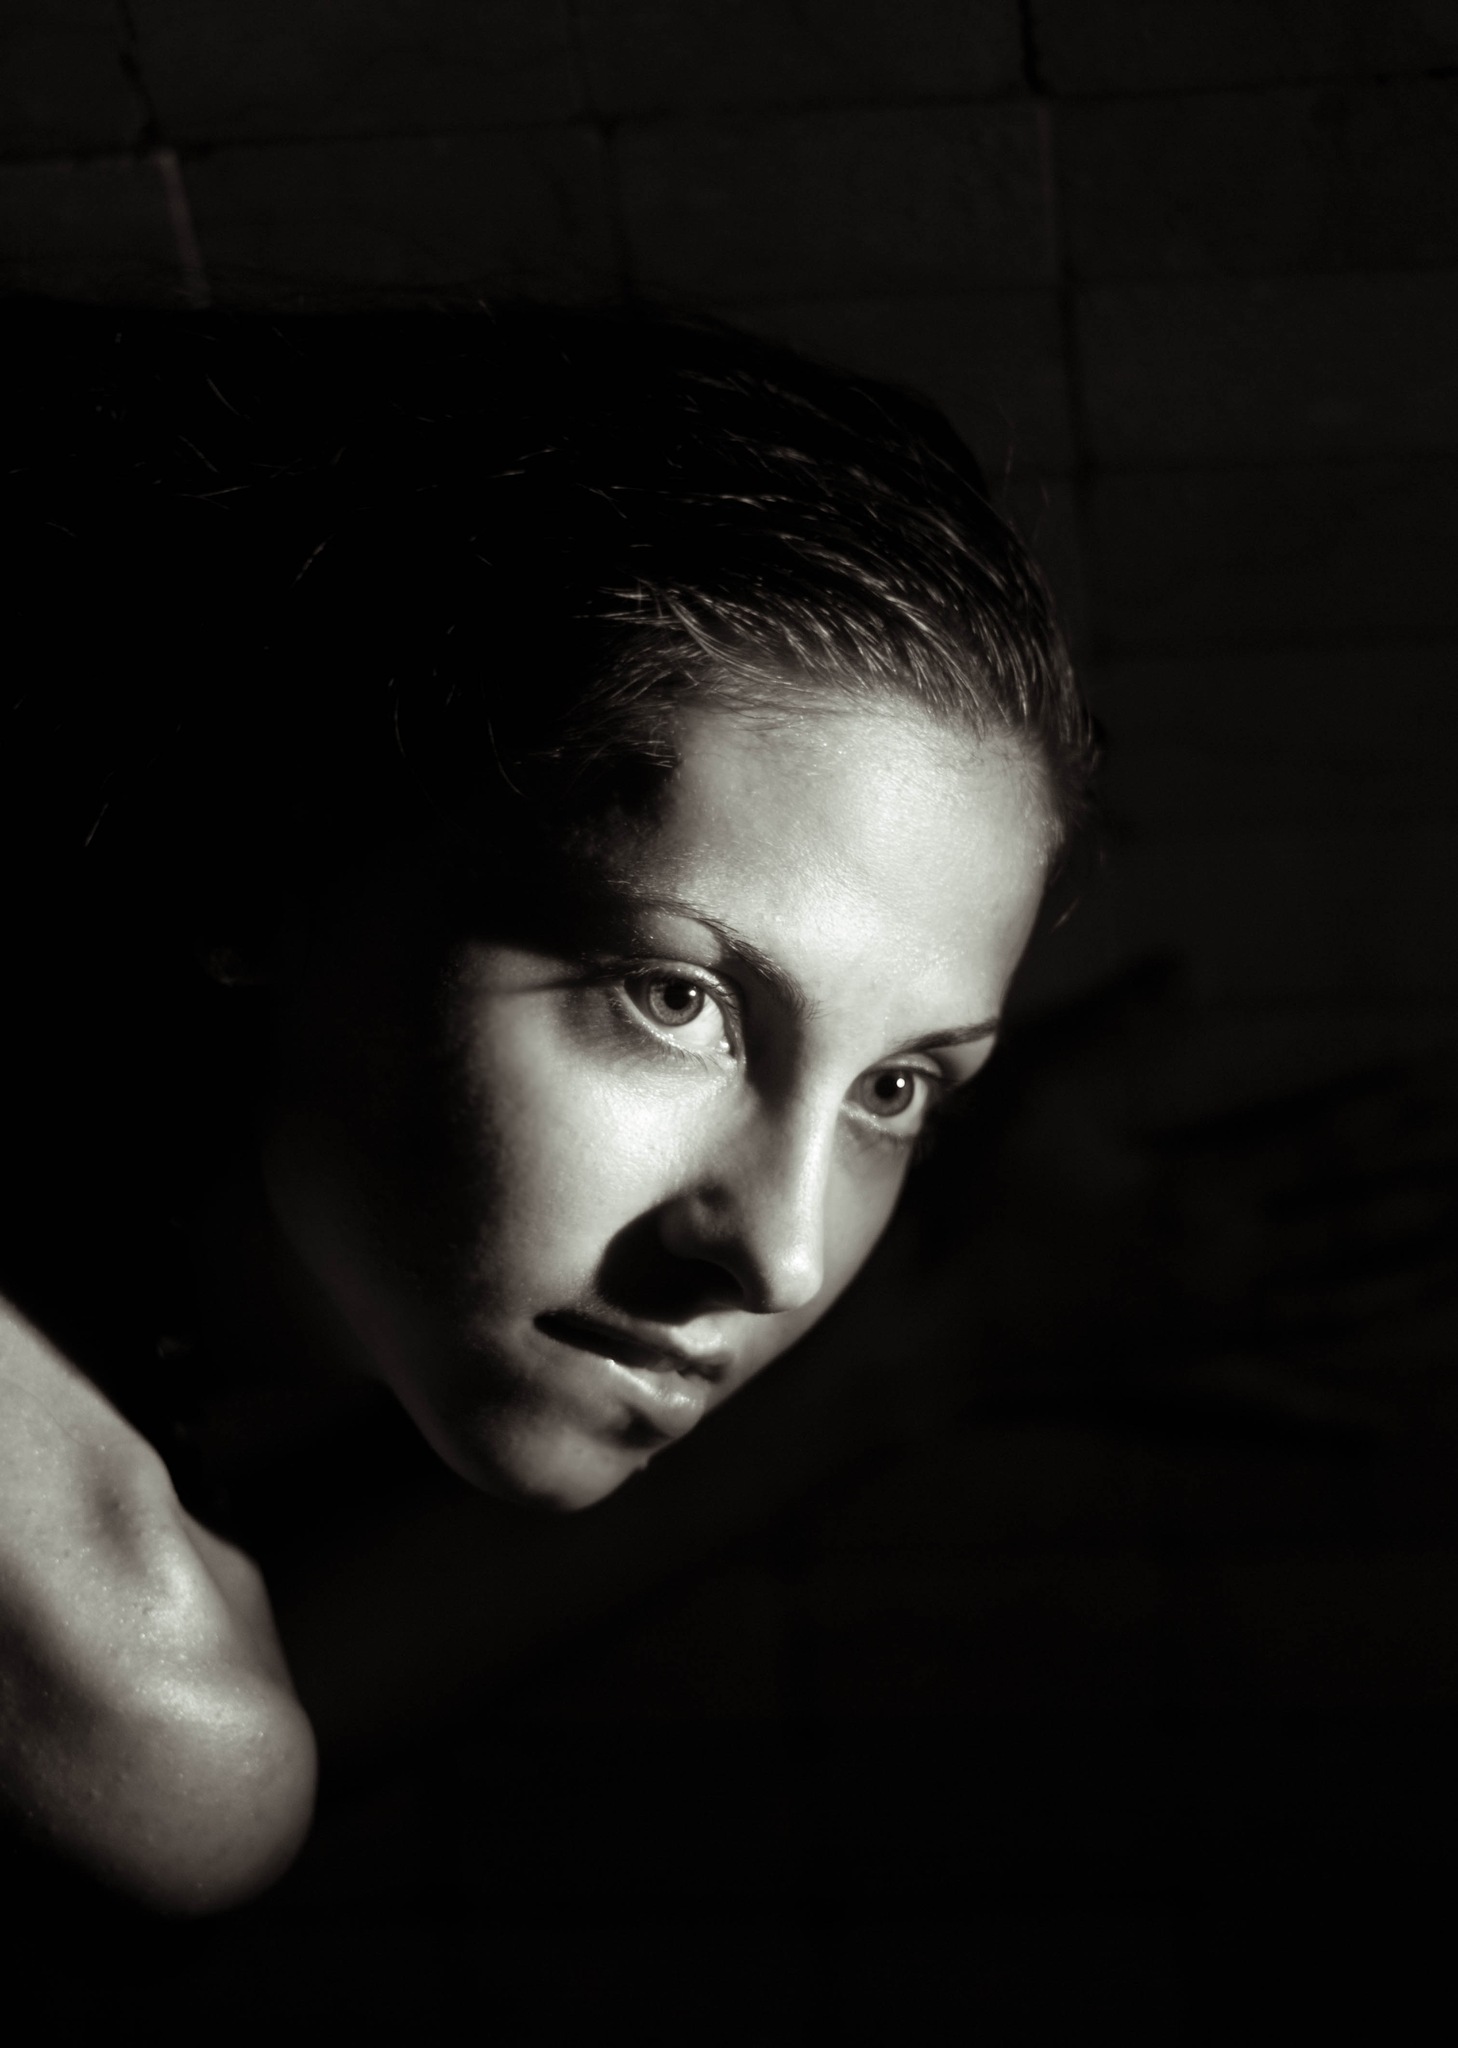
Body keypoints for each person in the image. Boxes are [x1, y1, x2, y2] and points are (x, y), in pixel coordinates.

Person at [0, 299, 1096, 1913]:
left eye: (894, 1088)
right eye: (678, 999)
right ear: (269, 857)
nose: (783, 1256)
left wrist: (935, 1350)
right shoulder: (144, 1716)